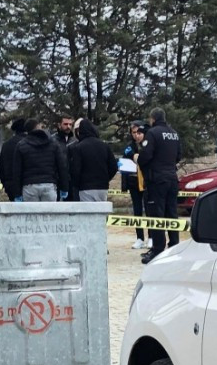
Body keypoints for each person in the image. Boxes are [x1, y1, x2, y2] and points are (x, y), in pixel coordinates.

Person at [138, 107, 182, 264]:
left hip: (156, 180)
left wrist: (140, 161)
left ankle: (157, 250)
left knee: (156, 215)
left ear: (153, 119)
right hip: (171, 178)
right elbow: (178, 156)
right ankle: (174, 247)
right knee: (172, 214)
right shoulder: (174, 133)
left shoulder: (153, 132)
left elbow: (146, 155)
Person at [15, 118, 68, 202]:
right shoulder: (53, 143)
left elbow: (17, 171)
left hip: (29, 186)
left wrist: (17, 193)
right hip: (49, 184)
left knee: (32, 214)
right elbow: (62, 166)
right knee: (49, 214)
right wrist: (64, 187)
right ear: (38, 126)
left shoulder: (21, 145)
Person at [67, 119, 118, 202]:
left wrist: (76, 184)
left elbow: (76, 170)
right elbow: (114, 167)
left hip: (85, 188)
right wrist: (105, 179)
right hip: (102, 187)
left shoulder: (79, 148)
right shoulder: (104, 146)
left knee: (88, 213)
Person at [122, 121, 149, 249]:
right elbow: (124, 166)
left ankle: (152, 236)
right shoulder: (128, 148)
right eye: (134, 133)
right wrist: (124, 184)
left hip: (147, 182)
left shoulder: (149, 145)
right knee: (137, 210)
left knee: (150, 210)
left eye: (139, 132)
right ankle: (139, 238)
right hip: (133, 182)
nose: (136, 135)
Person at [0, 118, 27, 200]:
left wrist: (5, 183)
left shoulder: (6, 145)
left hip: (10, 184)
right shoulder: (29, 143)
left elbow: (1, 167)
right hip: (27, 184)